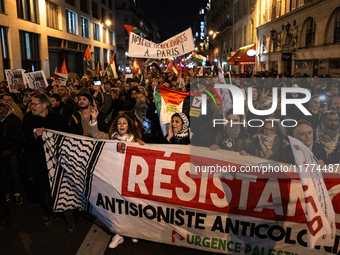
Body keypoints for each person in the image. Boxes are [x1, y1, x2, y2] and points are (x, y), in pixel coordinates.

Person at [88, 109, 144, 248]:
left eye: (124, 123)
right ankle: (119, 234)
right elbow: (95, 134)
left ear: (129, 125)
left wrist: (144, 146)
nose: (121, 125)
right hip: (115, 178)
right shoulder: (110, 138)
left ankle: (133, 230)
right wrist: (94, 120)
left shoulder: (135, 140)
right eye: (119, 123)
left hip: (130, 178)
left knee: (131, 205)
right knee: (117, 206)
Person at [23, 93, 76, 233]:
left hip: (58, 161)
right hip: (40, 162)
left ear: (45, 105)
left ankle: (69, 217)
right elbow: (25, 143)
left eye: (34, 104)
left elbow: (67, 139)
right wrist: (35, 136)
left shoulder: (59, 119)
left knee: (62, 187)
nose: (31, 106)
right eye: (31, 104)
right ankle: (52, 212)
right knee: (46, 189)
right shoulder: (29, 121)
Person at [0, 103, 23, 204]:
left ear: (6, 109)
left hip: (12, 149)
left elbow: (19, 136)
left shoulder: (14, 119)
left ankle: (17, 192)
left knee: (14, 171)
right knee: (3, 172)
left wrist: (6, 134)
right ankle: (5, 192)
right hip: (2, 150)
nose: (0, 113)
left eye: (1, 111)